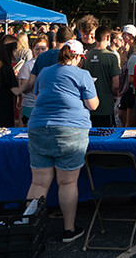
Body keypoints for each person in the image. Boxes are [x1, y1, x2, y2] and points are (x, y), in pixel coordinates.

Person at [26, 43, 98, 245]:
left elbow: (39, 96)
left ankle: (28, 227)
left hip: (39, 126)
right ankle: (69, 230)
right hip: (71, 129)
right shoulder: (82, 74)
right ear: (78, 57)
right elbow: (93, 104)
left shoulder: (45, 72)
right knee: (67, 182)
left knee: (38, 182)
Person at [83, 25, 122, 128]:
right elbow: (116, 83)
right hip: (105, 105)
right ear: (108, 38)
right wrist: (114, 95)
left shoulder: (86, 56)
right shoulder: (111, 57)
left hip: (88, 104)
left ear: (95, 38)